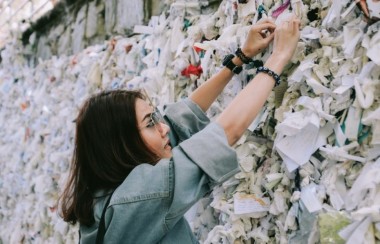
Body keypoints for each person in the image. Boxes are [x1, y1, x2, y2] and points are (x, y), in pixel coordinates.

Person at [59, 15, 300, 244]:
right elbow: (225, 134)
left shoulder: (107, 192)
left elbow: (180, 119)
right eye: (150, 122)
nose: (162, 127)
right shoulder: (136, 199)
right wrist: (278, 58)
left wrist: (240, 57)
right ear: (120, 144)